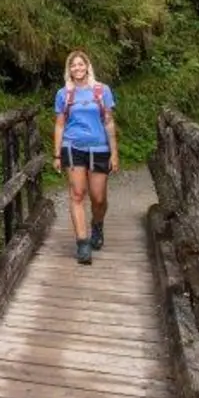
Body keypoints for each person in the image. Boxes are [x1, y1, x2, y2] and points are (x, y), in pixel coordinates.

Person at [52, 49, 120, 264]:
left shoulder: (102, 91)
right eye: (73, 65)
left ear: (87, 66)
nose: (77, 68)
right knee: (77, 194)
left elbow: (108, 122)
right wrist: (57, 154)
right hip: (73, 147)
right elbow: (60, 124)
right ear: (69, 70)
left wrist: (114, 153)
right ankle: (82, 243)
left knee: (98, 198)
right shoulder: (64, 94)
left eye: (81, 64)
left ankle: (97, 225)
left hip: (99, 147)